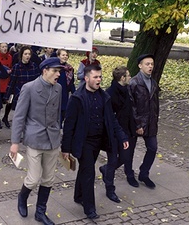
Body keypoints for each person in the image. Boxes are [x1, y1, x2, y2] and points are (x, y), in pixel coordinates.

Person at [61, 64, 129, 220]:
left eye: (100, 77)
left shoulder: (104, 97)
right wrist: (65, 148)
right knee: (89, 172)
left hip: (99, 141)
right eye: (95, 77)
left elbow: (111, 119)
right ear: (86, 79)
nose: (98, 80)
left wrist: (122, 137)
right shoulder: (77, 98)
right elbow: (69, 125)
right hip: (84, 142)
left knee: (85, 170)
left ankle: (78, 195)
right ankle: (89, 208)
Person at [10, 57, 64, 225]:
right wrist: (15, 142)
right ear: (45, 71)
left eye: (59, 71)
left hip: (52, 140)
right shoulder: (29, 88)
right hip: (34, 138)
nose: (58, 74)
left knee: (48, 179)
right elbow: (19, 117)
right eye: (55, 71)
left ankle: (40, 212)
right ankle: (22, 197)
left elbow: (58, 114)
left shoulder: (59, 88)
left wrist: (59, 133)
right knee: (33, 179)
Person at [99, 66, 137, 204]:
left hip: (126, 131)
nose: (130, 77)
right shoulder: (110, 94)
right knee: (113, 160)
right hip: (113, 134)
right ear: (122, 78)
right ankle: (110, 189)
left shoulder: (127, 90)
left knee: (125, 157)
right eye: (128, 75)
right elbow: (109, 118)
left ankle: (105, 169)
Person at [128, 54, 159, 189]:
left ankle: (144, 174)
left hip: (151, 122)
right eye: (147, 64)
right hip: (137, 123)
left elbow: (155, 102)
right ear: (140, 66)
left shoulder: (153, 82)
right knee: (129, 151)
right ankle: (129, 174)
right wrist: (138, 124)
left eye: (152, 64)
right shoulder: (134, 82)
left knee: (152, 148)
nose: (150, 66)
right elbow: (131, 106)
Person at [2, 46, 40, 128]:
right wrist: (7, 96)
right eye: (25, 54)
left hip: (32, 95)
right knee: (20, 117)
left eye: (29, 54)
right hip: (20, 95)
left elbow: (38, 81)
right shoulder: (17, 67)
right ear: (21, 55)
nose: (27, 56)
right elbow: (12, 82)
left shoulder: (34, 66)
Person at [0, 42, 12, 129]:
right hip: (0, 82)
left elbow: (11, 66)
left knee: (9, 102)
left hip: (8, 81)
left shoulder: (10, 57)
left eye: (6, 47)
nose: (5, 48)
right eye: (3, 47)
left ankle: (6, 117)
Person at [56, 49, 75, 124]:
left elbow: (71, 83)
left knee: (63, 114)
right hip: (55, 94)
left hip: (64, 95)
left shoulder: (69, 68)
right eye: (63, 55)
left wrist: (75, 93)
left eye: (66, 55)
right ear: (58, 56)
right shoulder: (55, 68)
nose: (65, 57)